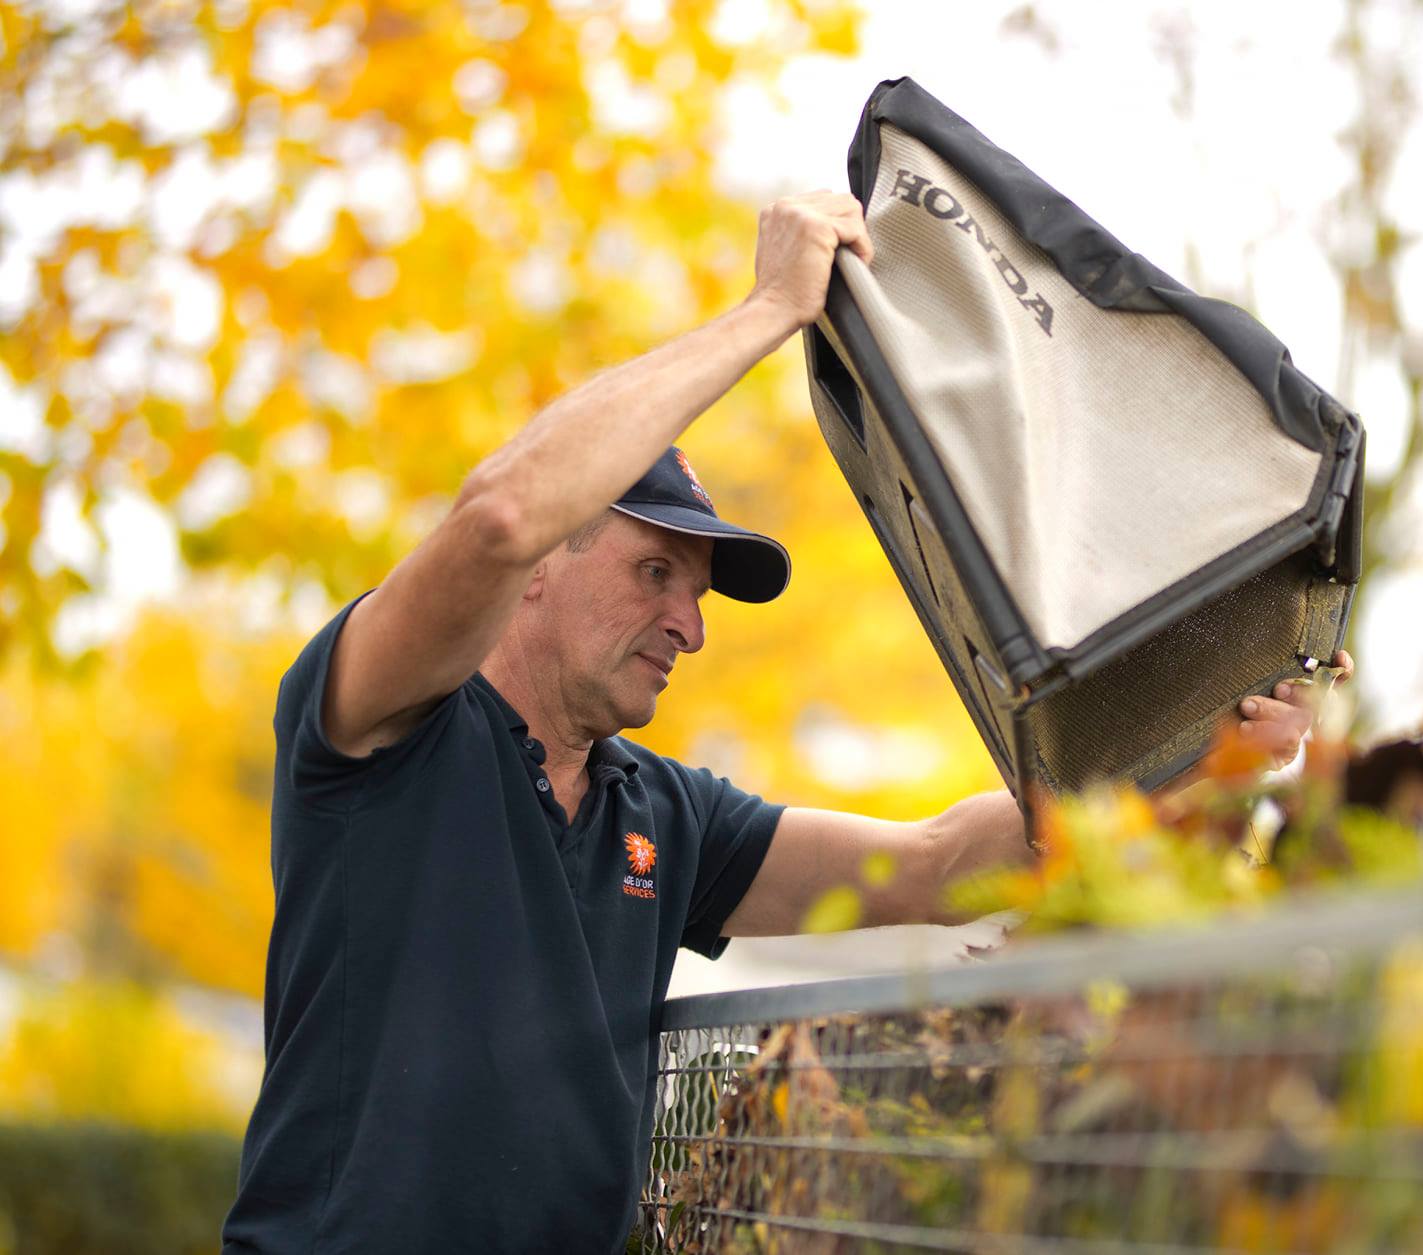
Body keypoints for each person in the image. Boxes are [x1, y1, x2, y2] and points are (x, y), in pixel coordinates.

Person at [219, 191, 1335, 1254]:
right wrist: (767, 313)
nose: (685, 625)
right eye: (654, 570)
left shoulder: (658, 812)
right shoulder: (386, 719)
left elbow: (935, 862)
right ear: (545, 570)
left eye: (696, 593)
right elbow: (499, 515)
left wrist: (1207, 748)